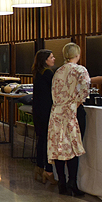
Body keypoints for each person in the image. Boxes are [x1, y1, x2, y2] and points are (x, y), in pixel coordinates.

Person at [48, 43, 91, 196]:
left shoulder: (58, 71)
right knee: (73, 148)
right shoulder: (80, 70)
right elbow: (86, 89)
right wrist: (76, 103)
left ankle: (61, 182)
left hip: (57, 113)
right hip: (73, 112)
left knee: (59, 148)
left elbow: (54, 92)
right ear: (77, 54)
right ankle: (72, 182)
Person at [31, 49, 57, 185]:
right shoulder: (48, 73)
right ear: (45, 60)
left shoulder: (38, 72)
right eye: (51, 57)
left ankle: (39, 166)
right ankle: (48, 170)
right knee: (48, 140)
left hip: (38, 110)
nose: (54, 59)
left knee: (41, 139)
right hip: (47, 110)